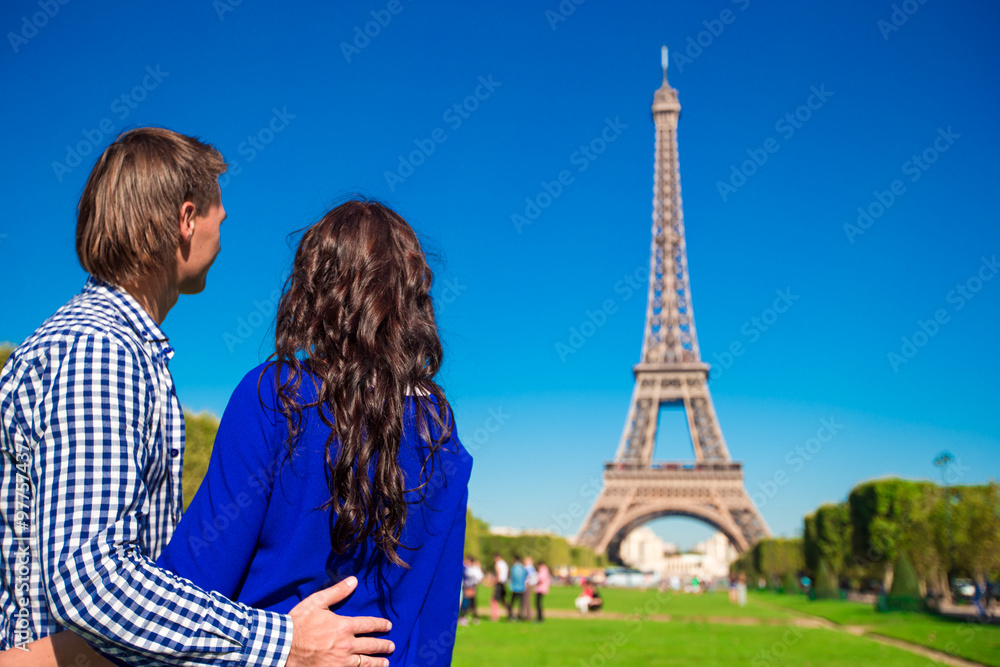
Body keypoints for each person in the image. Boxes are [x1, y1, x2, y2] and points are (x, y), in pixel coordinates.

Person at [0, 129, 391, 667]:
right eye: (218, 215)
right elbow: (92, 582)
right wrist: (281, 642)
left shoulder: (116, 349)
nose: (222, 231)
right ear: (186, 220)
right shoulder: (100, 350)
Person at [154, 199, 473, 666]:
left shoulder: (275, 396)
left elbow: (193, 583)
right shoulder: (442, 434)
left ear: (312, 290)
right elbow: (437, 623)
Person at [460, 557, 483, 625]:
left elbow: (479, 578)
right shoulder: (467, 568)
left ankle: (471, 617)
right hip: (467, 587)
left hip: (471, 587)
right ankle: (464, 617)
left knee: (470, 603)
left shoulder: (473, 569)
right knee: (466, 603)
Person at [507, 555, 527, 621]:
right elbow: (525, 576)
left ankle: (511, 616)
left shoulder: (514, 568)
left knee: (512, 603)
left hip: (514, 588)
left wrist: (510, 586)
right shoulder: (522, 568)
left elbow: (512, 577)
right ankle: (520, 617)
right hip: (522, 588)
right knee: (520, 604)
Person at [491, 554, 508, 622]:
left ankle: (494, 616)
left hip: (499, 584)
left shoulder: (498, 564)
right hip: (504, 583)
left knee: (494, 600)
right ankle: (511, 614)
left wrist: (492, 582)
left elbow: (498, 575)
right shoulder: (505, 563)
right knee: (503, 600)